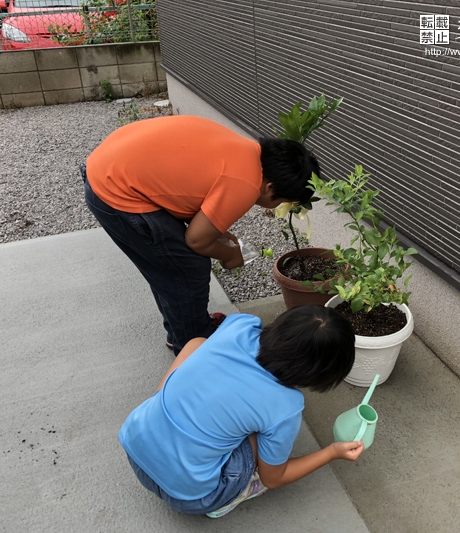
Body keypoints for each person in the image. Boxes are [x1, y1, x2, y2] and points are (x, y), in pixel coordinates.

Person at [81, 115, 320, 355]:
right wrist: (230, 255)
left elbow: (193, 190)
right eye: (282, 201)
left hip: (108, 165)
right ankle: (192, 351)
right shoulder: (247, 183)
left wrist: (218, 232)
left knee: (166, 266)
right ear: (270, 188)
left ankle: (183, 334)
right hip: (117, 191)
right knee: (187, 267)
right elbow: (196, 240)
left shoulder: (246, 150)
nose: (276, 206)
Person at [118, 305, 365, 518]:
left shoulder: (241, 325)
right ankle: (231, 496)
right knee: (257, 437)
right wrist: (331, 452)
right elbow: (273, 478)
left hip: (135, 448)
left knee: (197, 344)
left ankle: (161, 402)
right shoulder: (286, 406)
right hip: (191, 497)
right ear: (320, 376)